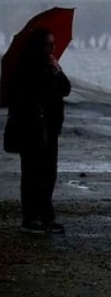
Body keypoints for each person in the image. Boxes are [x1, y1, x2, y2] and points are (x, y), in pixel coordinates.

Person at [7, 28, 71, 234]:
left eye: (53, 44)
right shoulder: (25, 68)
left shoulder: (51, 66)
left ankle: (46, 215)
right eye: (49, 45)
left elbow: (65, 89)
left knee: (48, 173)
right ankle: (30, 217)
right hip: (31, 128)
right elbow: (22, 98)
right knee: (32, 173)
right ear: (38, 46)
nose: (52, 48)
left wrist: (56, 70)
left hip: (50, 128)